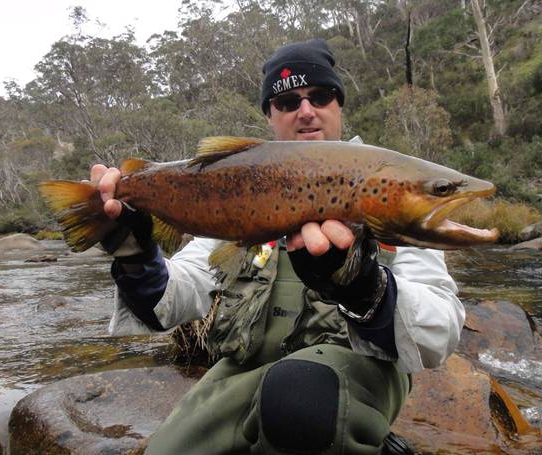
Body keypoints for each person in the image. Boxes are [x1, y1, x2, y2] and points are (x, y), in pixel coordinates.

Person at [91, 39, 465, 455]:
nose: (306, 111)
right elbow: (172, 301)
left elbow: (441, 333)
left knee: (303, 401)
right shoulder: (241, 188)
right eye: (287, 102)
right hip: (244, 378)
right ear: (270, 116)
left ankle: (356, 430)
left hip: (352, 377)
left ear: (338, 103)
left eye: (319, 96)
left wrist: (364, 288)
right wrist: (136, 256)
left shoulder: (391, 184)